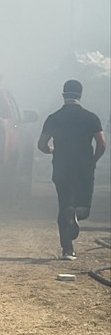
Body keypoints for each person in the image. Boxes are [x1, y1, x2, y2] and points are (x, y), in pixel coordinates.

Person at [37, 79, 106, 261]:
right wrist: (93, 160)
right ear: (80, 95)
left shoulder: (54, 118)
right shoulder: (91, 117)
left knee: (64, 205)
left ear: (63, 95)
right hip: (84, 166)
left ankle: (68, 250)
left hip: (62, 165)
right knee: (83, 208)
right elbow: (101, 143)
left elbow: (41, 144)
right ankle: (76, 214)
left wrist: (51, 150)